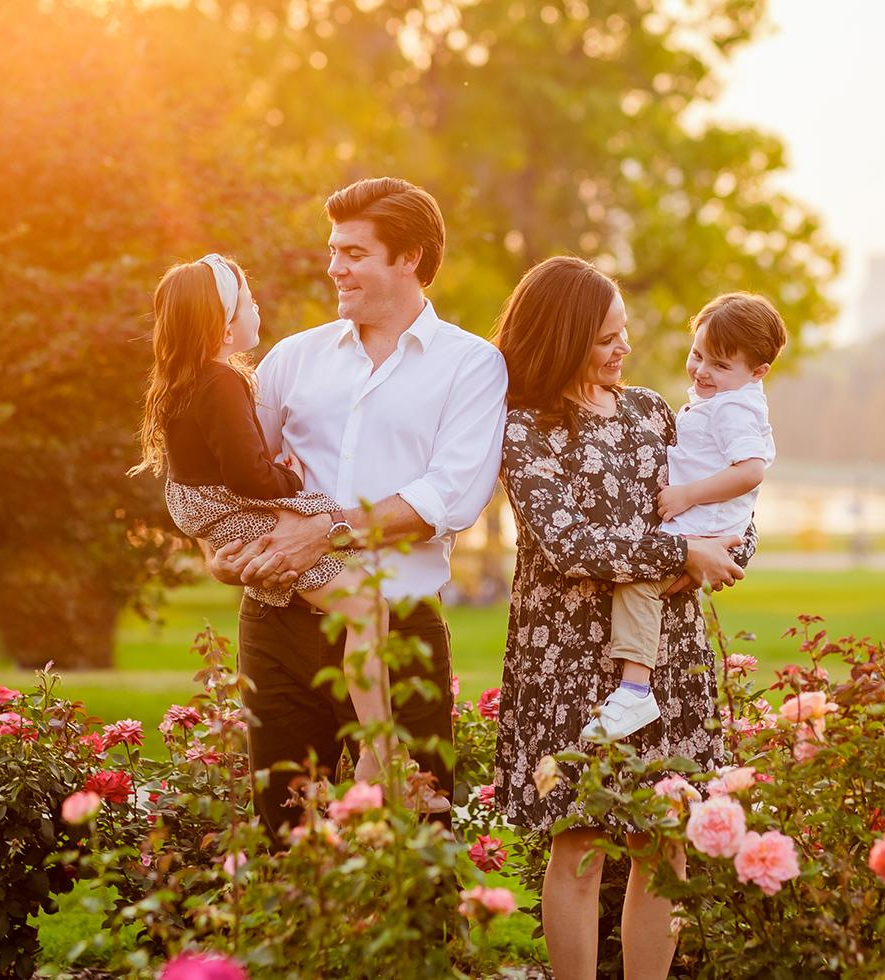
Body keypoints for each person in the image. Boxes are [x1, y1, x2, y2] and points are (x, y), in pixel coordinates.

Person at [207, 177, 507, 836]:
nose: (333, 267)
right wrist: (224, 556)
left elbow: (450, 493)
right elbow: (233, 477)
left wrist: (327, 530)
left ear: (409, 259)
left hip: (400, 627)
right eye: (333, 249)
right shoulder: (294, 358)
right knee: (286, 830)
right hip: (279, 624)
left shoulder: (471, 365)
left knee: (415, 835)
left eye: (354, 253)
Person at [489, 256, 753, 980]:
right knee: (577, 839)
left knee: (662, 840)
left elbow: (714, 502)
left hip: (666, 652)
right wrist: (682, 553)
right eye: (607, 337)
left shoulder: (651, 412)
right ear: (565, 336)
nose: (623, 348)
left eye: (623, 333)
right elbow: (568, 544)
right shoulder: (524, 426)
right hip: (566, 655)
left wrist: (728, 546)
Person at [128, 252, 440, 809]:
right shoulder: (221, 380)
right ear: (225, 323)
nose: (258, 308)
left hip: (211, 508)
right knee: (366, 607)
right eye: (248, 301)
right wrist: (287, 480)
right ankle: (379, 754)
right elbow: (247, 472)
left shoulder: (185, 379)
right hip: (234, 505)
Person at [582, 293, 785, 740]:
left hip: (703, 523)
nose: (702, 371)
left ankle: (634, 689)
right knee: (649, 584)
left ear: (757, 372)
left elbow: (751, 471)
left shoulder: (733, 408)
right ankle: (635, 686)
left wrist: (687, 495)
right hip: (701, 523)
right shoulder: (720, 400)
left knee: (639, 582)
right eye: (698, 355)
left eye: (719, 365)